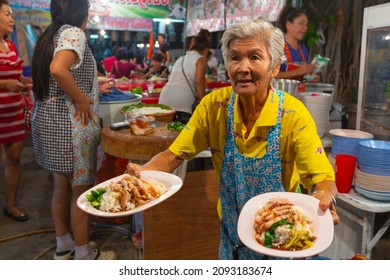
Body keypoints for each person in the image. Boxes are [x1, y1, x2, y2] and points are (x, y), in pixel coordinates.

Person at [127, 19, 339, 260]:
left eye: (255, 57)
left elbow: (323, 179)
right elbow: (172, 156)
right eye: (235, 57)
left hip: (282, 238)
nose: (243, 67)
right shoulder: (213, 107)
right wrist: (138, 176)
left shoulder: (293, 114)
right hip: (231, 238)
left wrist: (325, 197)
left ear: (275, 67)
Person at [31, 0, 116, 260]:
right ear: (82, 12)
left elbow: (59, 75)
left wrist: (91, 89)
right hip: (72, 126)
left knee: (61, 187)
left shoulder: (50, 35)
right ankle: (83, 254)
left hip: (50, 123)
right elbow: (58, 69)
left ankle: (64, 245)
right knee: (82, 192)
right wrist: (81, 99)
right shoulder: (74, 32)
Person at [0, 0, 29, 222]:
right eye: (7, 14)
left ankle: (10, 205)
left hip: (13, 112)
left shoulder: (10, 45)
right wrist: (5, 85)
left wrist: (22, 81)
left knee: (15, 158)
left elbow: (13, 74)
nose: (12, 18)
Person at [158, 33, 209, 123]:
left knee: (167, 132)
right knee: (183, 134)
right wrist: (204, 104)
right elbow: (199, 82)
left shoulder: (180, 58)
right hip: (182, 101)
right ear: (205, 50)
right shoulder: (201, 59)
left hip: (164, 97)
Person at [275, 7, 315, 81]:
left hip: (299, 91)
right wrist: (298, 72)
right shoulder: (277, 46)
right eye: (301, 24)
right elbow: (270, 75)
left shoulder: (303, 48)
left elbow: (304, 75)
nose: (305, 28)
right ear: (288, 25)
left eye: (306, 25)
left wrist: (310, 76)